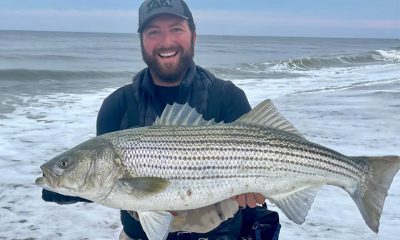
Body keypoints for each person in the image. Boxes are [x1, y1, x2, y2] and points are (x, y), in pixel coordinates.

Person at [42, 0, 280, 239]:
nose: (166, 42)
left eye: (176, 28)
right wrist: (67, 187)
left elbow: (261, 164)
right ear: (142, 42)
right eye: (153, 32)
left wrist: (257, 193)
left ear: (193, 36)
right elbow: (105, 185)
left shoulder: (228, 97)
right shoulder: (116, 105)